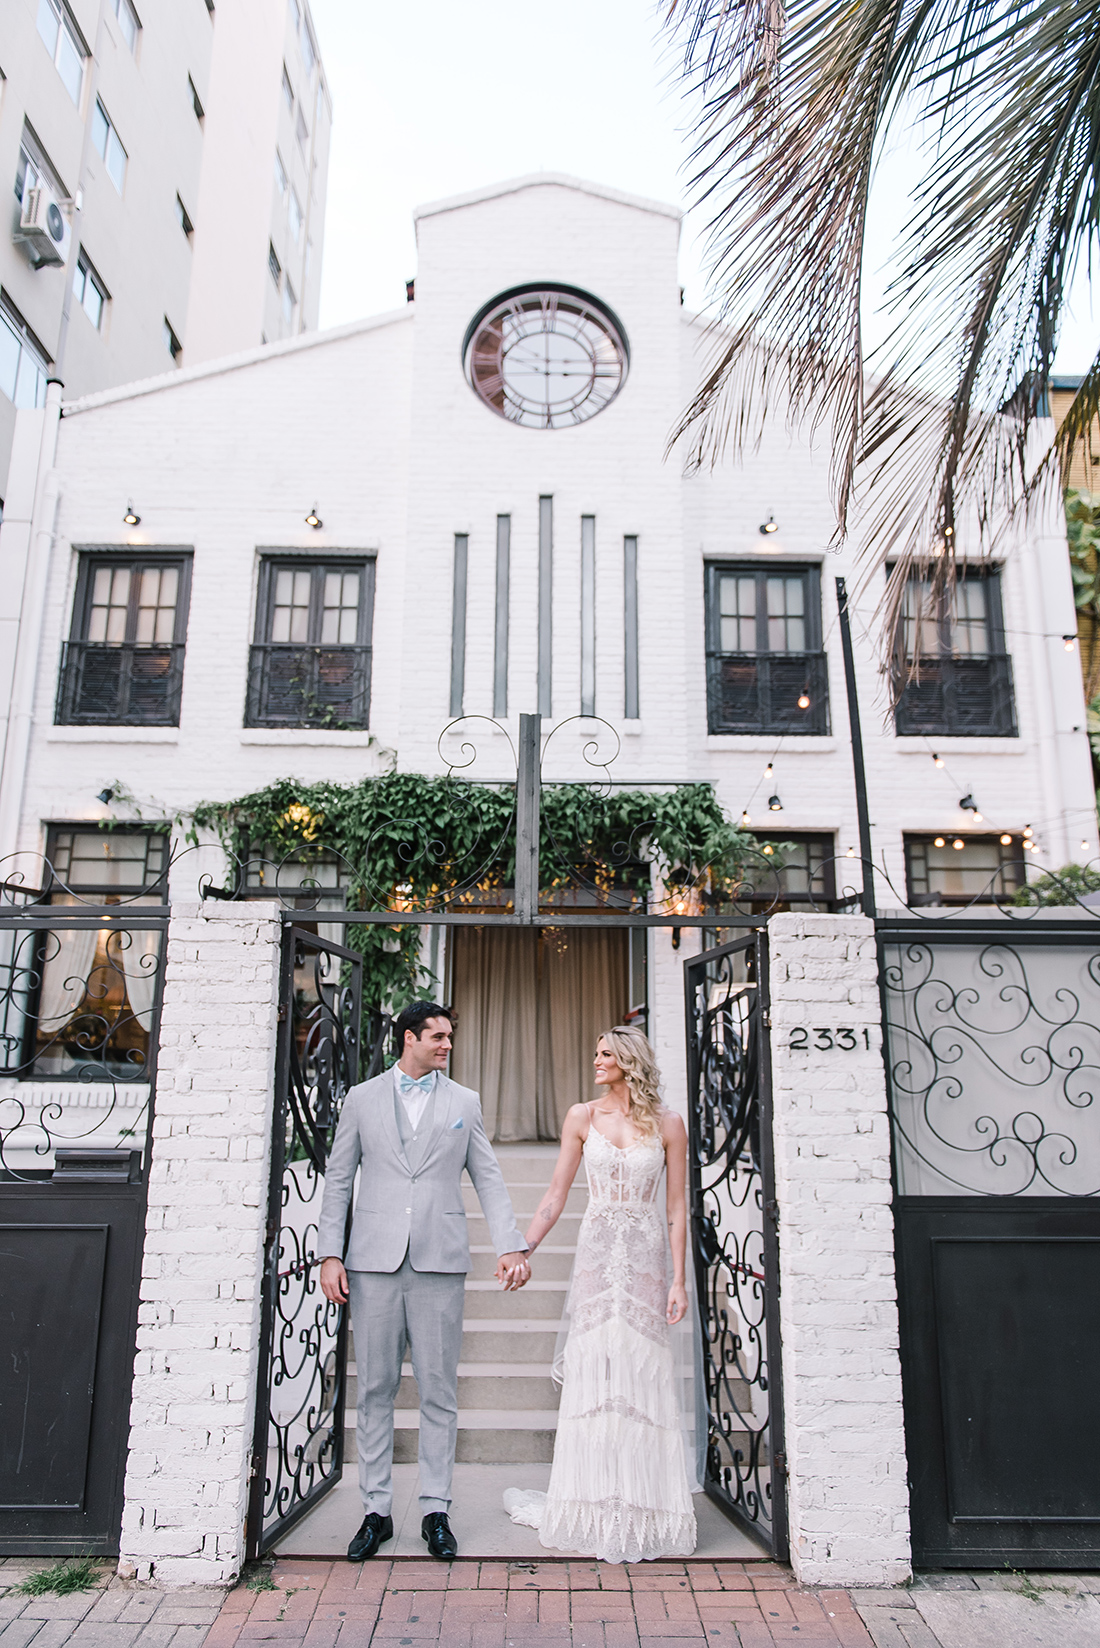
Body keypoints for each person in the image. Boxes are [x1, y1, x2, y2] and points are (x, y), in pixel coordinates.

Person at [318, 1001, 530, 1562]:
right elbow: (339, 1180)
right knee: (374, 1391)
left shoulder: (464, 1102)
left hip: (440, 1262)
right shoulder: (361, 1100)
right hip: (372, 1264)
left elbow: (487, 1176)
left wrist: (510, 1243)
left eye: (449, 1037)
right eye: (437, 1037)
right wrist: (329, 1254)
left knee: (439, 1392)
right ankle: (376, 1511)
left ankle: (436, 1509)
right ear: (409, 1038)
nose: (447, 1045)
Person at [505, 1025, 697, 1563]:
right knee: (595, 1375)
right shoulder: (581, 1116)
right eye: (595, 1053)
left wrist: (678, 1279)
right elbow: (555, 1195)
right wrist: (524, 1247)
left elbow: (677, 1209)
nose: (596, 1061)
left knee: (641, 1375)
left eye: (605, 1054)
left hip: (646, 1263)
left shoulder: (668, 1124)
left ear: (629, 1060)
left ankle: (642, 1506)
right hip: (596, 1261)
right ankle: (591, 1503)